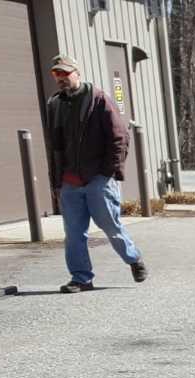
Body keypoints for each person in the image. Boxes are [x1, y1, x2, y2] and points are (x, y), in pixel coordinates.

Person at [43, 55, 147, 293]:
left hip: (97, 178)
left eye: (65, 73)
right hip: (70, 181)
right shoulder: (55, 105)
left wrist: (108, 172)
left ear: (77, 73)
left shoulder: (98, 99)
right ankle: (81, 278)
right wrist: (57, 180)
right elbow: (55, 147)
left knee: (111, 226)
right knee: (74, 234)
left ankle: (134, 260)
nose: (61, 79)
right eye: (57, 75)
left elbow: (119, 137)